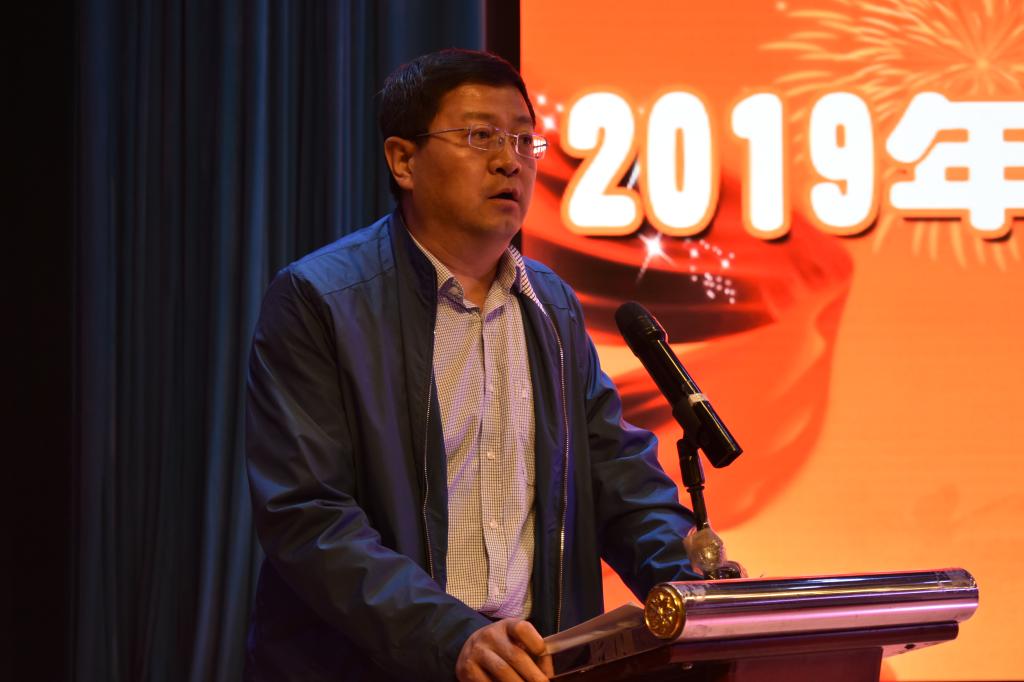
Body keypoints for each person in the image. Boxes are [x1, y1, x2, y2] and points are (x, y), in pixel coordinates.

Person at [244, 49, 700, 682]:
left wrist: (694, 587)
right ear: (403, 161)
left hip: (531, 665)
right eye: (480, 135)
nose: (509, 160)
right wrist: (452, 637)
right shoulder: (319, 300)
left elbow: (617, 481)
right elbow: (309, 516)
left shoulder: (551, 306)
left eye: (523, 140)